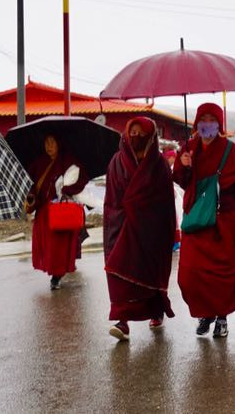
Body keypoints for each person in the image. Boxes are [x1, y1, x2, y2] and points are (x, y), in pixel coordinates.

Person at [173, 103, 235, 338]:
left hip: (223, 221)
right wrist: (183, 166)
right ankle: (205, 313)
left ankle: (221, 317)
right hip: (197, 222)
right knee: (192, 273)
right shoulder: (188, 149)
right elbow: (180, 180)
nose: (207, 123)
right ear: (197, 122)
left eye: (211, 119)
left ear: (219, 124)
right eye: (203, 119)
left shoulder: (230, 149)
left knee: (221, 275)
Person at [104, 117, 177, 341]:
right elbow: (111, 200)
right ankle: (122, 320)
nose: (134, 136)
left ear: (150, 137)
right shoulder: (117, 162)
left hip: (150, 231)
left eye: (140, 133)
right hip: (121, 226)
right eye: (131, 132)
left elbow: (165, 203)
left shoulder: (159, 165)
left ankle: (156, 311)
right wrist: (122, 217)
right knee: (119, 274)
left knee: (150, 274)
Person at [25, 135, 89, 290]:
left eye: (52, 142)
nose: (49, 146)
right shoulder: (39, 162)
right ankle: (54, 271)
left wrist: (67, 189)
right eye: (46, 143)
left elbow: (82, 178)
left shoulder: (68, 160)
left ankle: (57, 275)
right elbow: (31, 182)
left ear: (59, 143)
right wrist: (32, 197)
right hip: (44, 211)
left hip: (62, 210)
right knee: (48, 246)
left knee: (59, 246)